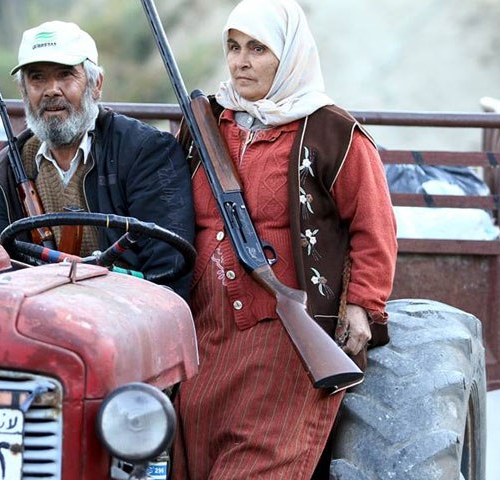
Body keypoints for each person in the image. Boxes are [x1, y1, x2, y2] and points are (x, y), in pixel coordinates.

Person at [171, 1, 398, 478]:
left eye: (258, 49)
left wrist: (362, 304)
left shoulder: (334, 132)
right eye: (233, 48)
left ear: (290, 54)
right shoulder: (206, 124)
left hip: (288, 342)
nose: (241, 62)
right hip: (204, 333)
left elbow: (373, 225)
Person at [0, 21, 195, 297]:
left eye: (66, 75)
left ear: (96, 85)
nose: (51, 90)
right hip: (34, 310)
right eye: (37, 78)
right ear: (24, 92)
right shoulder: (4, 173)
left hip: (125, 308)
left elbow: (168, 270)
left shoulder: (146, 152)